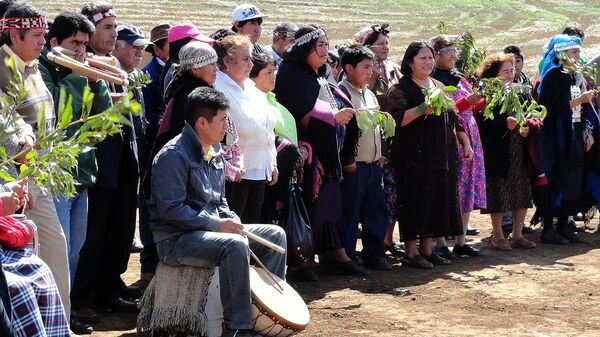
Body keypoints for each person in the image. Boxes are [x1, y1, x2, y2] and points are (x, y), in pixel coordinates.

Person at [149, 86, 287, 337]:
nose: (227, 127)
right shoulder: (172, 155)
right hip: (175, 240)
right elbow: (171, 211)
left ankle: (265, 314)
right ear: (202, 122)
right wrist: (217, 225)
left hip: (204, 233)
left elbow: (220, 201)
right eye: (223, 120)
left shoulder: (213, 151)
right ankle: (238, 328)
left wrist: (231, 218)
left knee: (275, 235)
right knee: (234, 245)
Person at [38, 10, 111, 334]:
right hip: (55, 176)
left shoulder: (80, 72)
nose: (82, 51)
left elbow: (104, 119)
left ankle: (62, 317)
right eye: (74, 43)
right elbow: (53, 112)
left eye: (84, 44)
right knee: (57, 252)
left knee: (74, 251)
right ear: (54, 42)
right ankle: (53, 320)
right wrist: (80, 76)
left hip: (80, 175)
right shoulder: (41, 70)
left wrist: (95, 83)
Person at [274, 24, 369, 276]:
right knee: (306, 205)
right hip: (305, 154)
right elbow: (300, 111)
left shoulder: (320, 73)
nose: (325, 50)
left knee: (331, 204)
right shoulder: (291, 73)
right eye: (320, 45)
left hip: (328, 153)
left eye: (327, 44)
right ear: (306, 48)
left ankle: (335, 253)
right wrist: (332, 118)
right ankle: (301, 259)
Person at [0, 1, 73, 323]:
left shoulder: (31, 64)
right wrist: (21, 145)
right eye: (37, 36)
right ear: (14, 35)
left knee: (52, 250)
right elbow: (8, 121)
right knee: (40, 252)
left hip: (38, 174)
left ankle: (57, 323)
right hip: (15, 177)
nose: (44, 42)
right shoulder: (2, 68)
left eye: (45, 35)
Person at [73, 1, 139, 324]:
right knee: (92, 233)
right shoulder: (79, 64)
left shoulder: (113, 63)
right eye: (107, 28)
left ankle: (109, 288)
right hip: (97, 162)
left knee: (120, 228)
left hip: (122, 158)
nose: (114, 33)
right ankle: (82, 297)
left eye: (115, 27)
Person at [385, 41, 472, 269]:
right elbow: (394, 120)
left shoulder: (438, 85)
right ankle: (411, 253)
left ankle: (427, 249)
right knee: (415, 201)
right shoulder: (400, 88)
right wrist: (422, 109)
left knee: (434, 200)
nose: (428, 62)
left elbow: (454, 117)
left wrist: (465, 142)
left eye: (430, 58)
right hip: (413, 156)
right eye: (422, 58)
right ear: (410, 62)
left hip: (440, 154)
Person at [537, 34, 599, 244]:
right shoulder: (553, 75)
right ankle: (548, 227)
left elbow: (581, 109)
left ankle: (564, 225)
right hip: (558, 135)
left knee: (573, 177)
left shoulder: (573, 75)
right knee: (557, 178)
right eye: (574, 51)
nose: (578, 55)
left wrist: (587, 132)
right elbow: (547, 108)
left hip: (574, 130)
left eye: (578, 51)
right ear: (562, 53)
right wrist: (579, 100)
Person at [337, 45, 391, 270]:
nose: (371, 72)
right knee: (351, 213)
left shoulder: (368, 93)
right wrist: (347, 160)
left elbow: (378, 127)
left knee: (375, 211)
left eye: (372, 66)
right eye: (366, 67)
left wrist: (382, 155)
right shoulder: (341, 92)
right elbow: (343, 132)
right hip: (354, 166)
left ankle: (374, 254)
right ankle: (348, 256)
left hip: (373, 165)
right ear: (349, 68)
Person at [213, 35, 278, 224]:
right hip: (235, 175)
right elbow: (222, 131)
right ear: (227, 61)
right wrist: (231, 166)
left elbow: (267, 128)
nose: (251, 64)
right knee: (235, 227)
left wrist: (271, 161)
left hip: (259, 170)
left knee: (252, 227)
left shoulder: (251, 87)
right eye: (245, 59)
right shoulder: (218, 87)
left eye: (250, 58)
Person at [475, 53, 536, 251]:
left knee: (521, 189)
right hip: (498, 149)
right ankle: (498, 234)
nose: (511, 74)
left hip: (519, 147)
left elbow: (532, 114)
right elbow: (481, 125)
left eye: (512, 70)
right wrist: (504, 124)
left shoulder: (521, 91)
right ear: (493, 74)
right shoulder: (487, 94)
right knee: (499, 190)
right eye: (506, 71)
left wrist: (528, 127)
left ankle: (517, 235)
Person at [430, 35, 484, 257]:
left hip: (470, 135)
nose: (453, 55)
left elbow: (475, 107)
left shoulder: (460, 77)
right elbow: (445, 110)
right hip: (449, 135)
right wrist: (465, 103)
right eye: (447, 51)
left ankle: (461, 240)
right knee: (448, 187)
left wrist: (482, 99)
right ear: (435, 55)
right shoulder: (433, 79)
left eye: (454, 50)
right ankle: (440, 240)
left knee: (467, 186)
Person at [354, 23, 404, 257]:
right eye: (380, 43)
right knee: (373, 197)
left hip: (395, 136)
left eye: (386, 43)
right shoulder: (362, 74)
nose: (385, 47)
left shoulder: (394, 69)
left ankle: (387, 240)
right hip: (371, 139)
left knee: (391, 196)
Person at [139, 22, 171, 283]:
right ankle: (148, 265)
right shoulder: (149, 74)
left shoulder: (165, 70)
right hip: (153, 149)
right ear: (158, 48)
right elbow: (147, 116)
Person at [161, 23, 214, 95]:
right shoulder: (175, 75)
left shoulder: (184, 70)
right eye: (197, 43)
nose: (202, 46)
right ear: (183, 46)